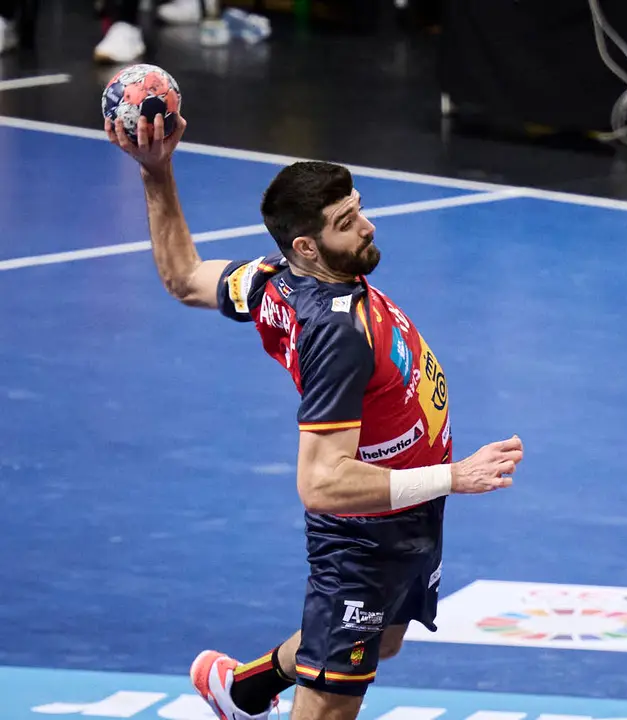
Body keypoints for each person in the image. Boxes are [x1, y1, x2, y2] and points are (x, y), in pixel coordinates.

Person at [105, 112, 525, 720]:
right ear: (307, 246)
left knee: (384, 638)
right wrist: (454, 477)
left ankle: (241, 688)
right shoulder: (335, 336)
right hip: (362, 531)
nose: (367, 227)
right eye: (345, 223)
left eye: (358, 209)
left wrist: (156, 170)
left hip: (409, 512)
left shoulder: (273, 279)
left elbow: (186, 277)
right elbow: (322, 483)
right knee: (332, 698)